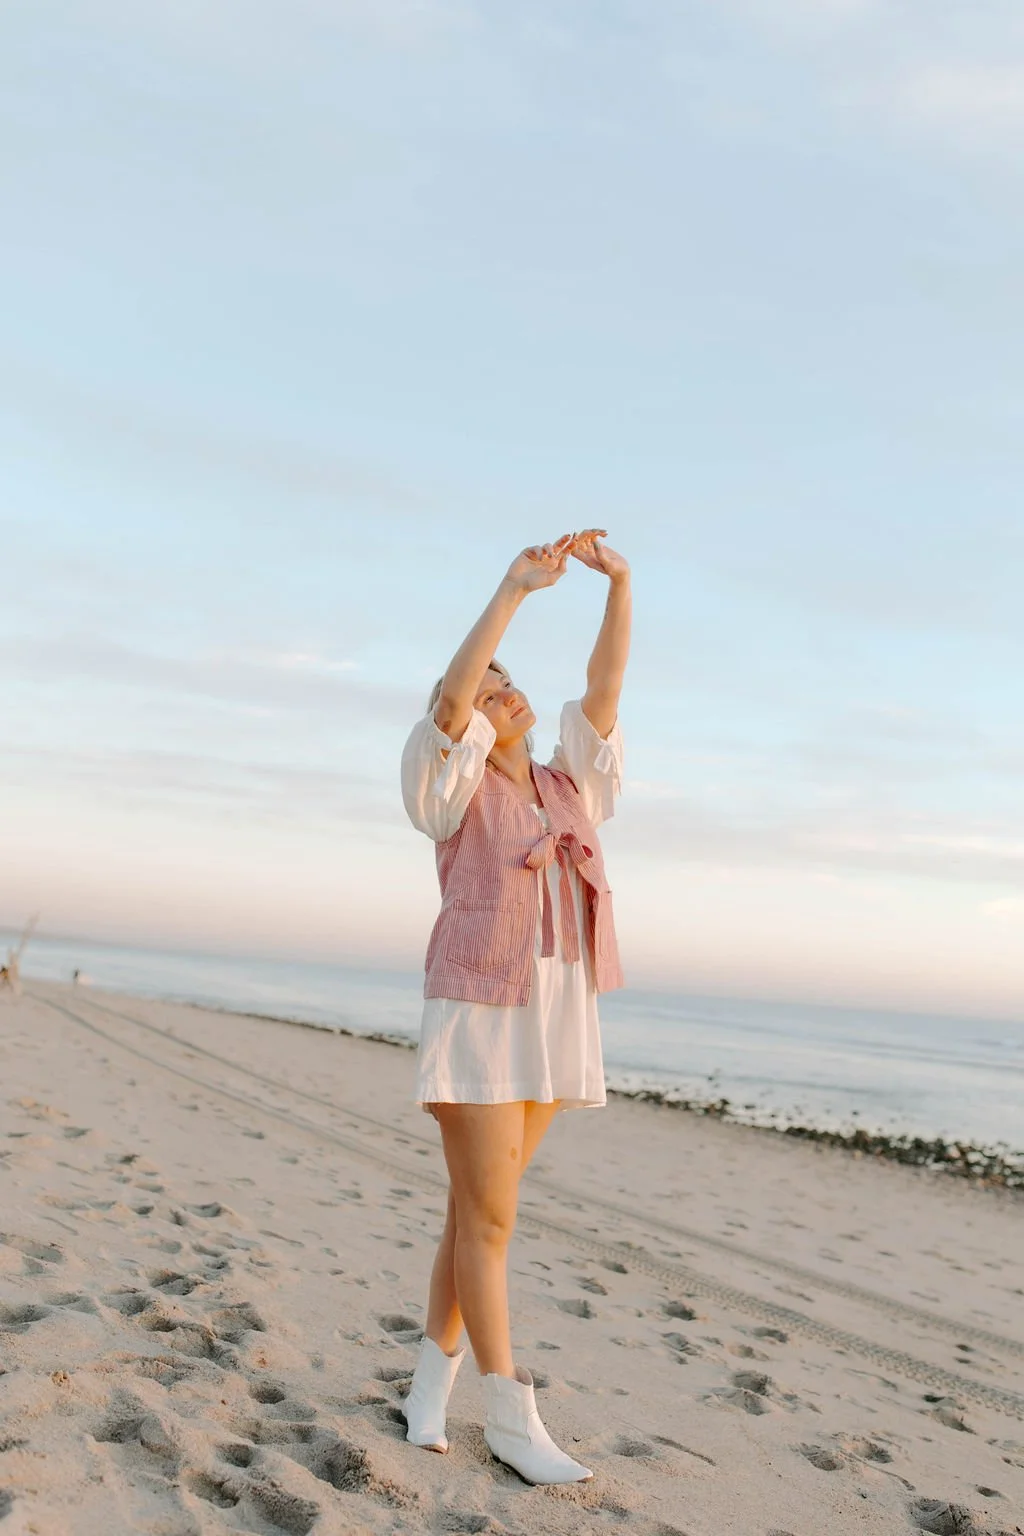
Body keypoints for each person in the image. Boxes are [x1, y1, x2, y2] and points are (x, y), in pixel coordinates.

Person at [399, 530, 631, 1485]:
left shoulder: (568, 784)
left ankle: (426, 1382)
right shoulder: (447, 784)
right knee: (492, 1222)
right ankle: (506, 1410)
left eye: (509, 680)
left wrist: (619, 584)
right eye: (488, 688)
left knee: (476, 1210)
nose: (503, 691)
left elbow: (605, 693)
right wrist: (512, 591)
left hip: (556, 1009)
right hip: (481, 1010)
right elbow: (453, 706)